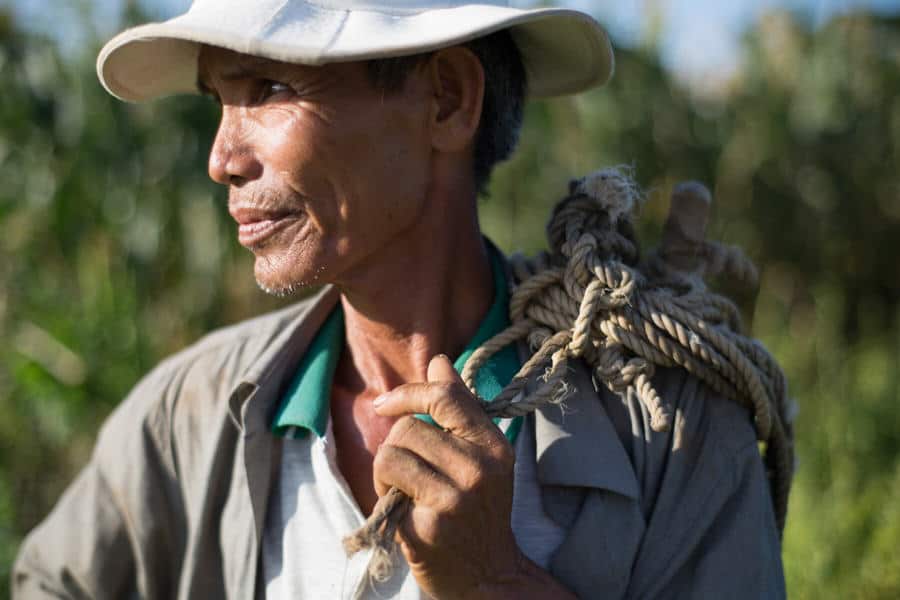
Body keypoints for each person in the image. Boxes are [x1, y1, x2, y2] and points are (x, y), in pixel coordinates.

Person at [13, 1, 786, 598]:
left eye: (272, 87)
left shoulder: (671, 429)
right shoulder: (190, 416)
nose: (221, 158)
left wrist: (496, 583)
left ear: (448, 100)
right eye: (219, 98)